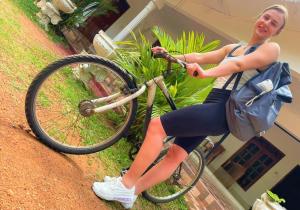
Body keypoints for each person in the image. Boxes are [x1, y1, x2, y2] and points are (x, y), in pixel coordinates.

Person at [92, 4, 288, 209]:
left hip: (224, 110)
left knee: (157, 127)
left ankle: (125, 185)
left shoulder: (271, 49)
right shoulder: (236, 47)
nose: (266, 23)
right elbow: (201, 57)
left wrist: (206, 73)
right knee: (176, 154)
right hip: (214, 103)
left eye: (273, 23)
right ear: (258, 17)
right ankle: (132, 193)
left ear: (278, 31)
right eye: (266, 17)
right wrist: (172, 56)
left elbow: (239, 65)